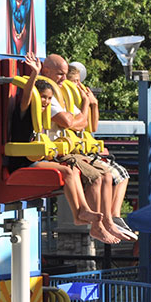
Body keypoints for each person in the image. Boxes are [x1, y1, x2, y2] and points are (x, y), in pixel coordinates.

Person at [18, 53, 133, 243]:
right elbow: (63, 119)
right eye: (43, 99)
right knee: (74, 172)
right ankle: (88, 219)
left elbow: (85, 123)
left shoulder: (54, 105)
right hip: (30, 159)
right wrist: (34, 74)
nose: (46, 102)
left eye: (48, 99)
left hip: (49, 154)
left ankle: (101, 219)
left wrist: (89, 105)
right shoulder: (28, 111)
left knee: (103, 175)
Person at [65, 64, 135, 237]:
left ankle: (113, 216)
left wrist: (93, 105)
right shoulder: (66, 100)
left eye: (79, 81)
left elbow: (92, 126)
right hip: (75, 151)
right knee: (101, 176)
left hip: (84, 149)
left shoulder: (77, 100)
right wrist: (86, 105)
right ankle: (102, 221)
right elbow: (79, 124)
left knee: (121, 174)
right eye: (74, 81)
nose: (78, 86)